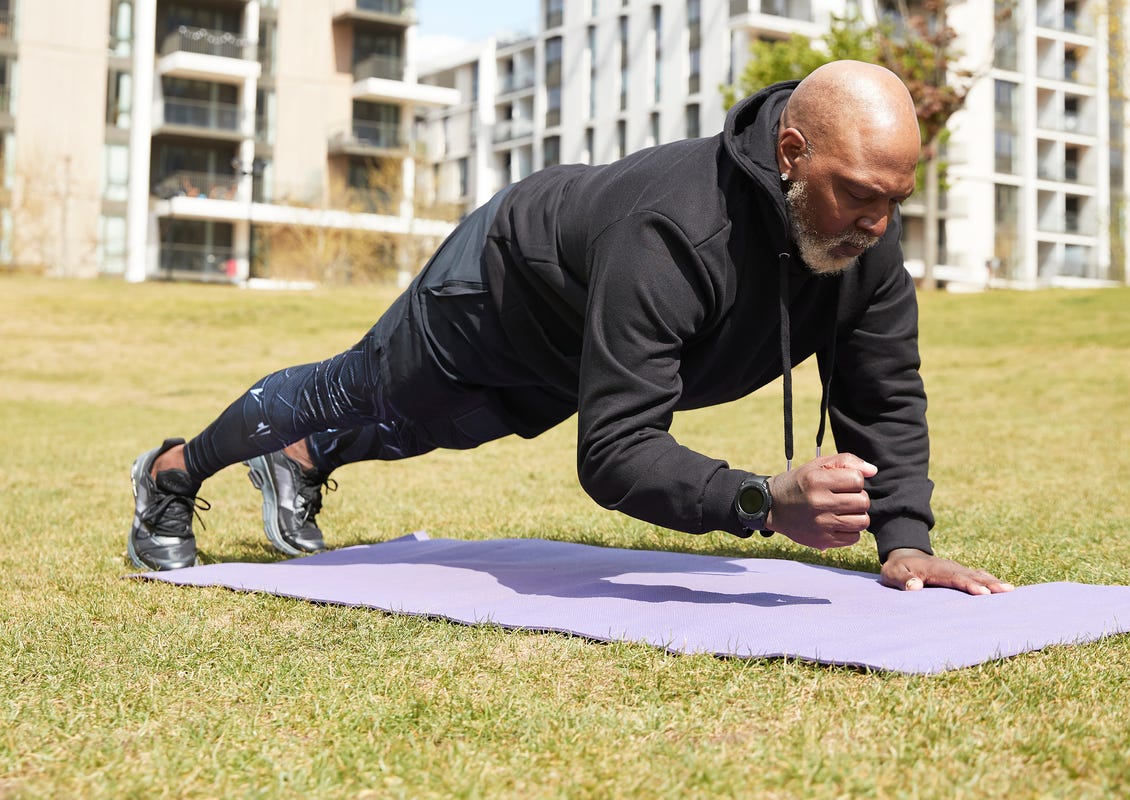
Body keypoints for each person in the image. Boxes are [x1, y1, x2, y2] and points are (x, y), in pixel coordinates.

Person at [128, 61, 1013, 596]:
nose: (877, 222)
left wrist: (905, 542)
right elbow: (616, 450)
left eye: (897, 199)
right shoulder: (675, 230)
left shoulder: (864, 248)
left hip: (582, 324)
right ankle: (170, 474)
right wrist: (761, 503)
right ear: (792, 155)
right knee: (369, 384)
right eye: (858, 191)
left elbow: (883, 392)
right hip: (506, 279)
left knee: (443, 426)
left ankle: (300, 461)